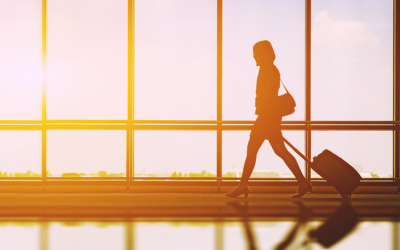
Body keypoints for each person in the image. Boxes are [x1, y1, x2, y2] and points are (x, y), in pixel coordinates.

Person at [225, 40, 312, 198]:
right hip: (270, 118)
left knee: (252, 150)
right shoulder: (270, 69)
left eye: (256, 53)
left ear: (263, 54)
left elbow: (268, 97)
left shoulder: (268, 70)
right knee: (280, 151)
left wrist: (264, 118)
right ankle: (303, 182)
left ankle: (243, 186)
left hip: (266, 118)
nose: (253, 56)